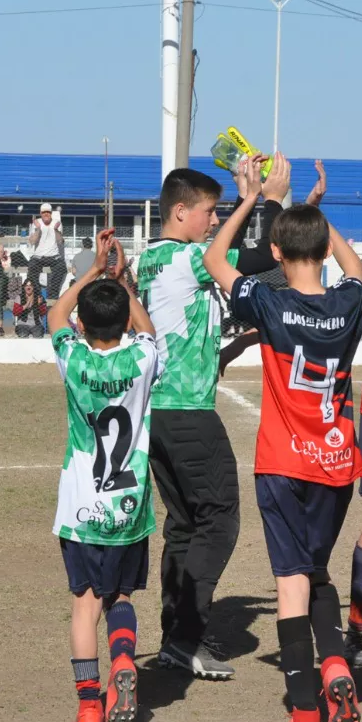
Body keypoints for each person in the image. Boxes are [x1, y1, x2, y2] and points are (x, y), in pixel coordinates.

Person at [205, 153, 362, 722]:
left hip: (282, 463)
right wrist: (317, 217)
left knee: (291, 583)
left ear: (275, 253)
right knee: (316, 570)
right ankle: (336, 666)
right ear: (324, 251)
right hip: (334, 463)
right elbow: (354, 269)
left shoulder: (269, 303)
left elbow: (213, 258)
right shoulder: (348, 303)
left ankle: (304, 716)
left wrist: (251, 199)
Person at [135, 160, 283, 680]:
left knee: (183, 527)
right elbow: (268, 260)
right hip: (188, 413)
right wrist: (266, 201)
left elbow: (181, 327)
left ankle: (175, 631)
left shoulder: (150, 258)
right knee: (219, 522)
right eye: (209, 211)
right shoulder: (190, 257)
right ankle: (185, 637)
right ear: (181, 212)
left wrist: (236, 343)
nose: (215, 221)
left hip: (158, 412)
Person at [50, 229, 160, 722]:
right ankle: (124, 661)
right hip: (130, 507)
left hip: (81, 508)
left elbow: (54, 317)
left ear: (83, 324)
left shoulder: (73, 359)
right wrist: (124, 284)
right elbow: (149, 332)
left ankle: (90, 708)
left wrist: (93, 270)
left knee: (83, 604)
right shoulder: (141, 359)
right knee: (120, 598)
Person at [27, 203, 66, 295]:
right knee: (32, 267)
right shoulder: (37, 223)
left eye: (48, 212)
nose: (46, 214)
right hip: (38, 256)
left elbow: (60, 242)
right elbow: (32, 241)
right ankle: (36, 293)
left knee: (61, 267)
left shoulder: (57, 223)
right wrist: (38, 229)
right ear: (40, 213)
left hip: (53, 256)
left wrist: (56, 230)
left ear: (51, 213)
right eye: (44, 212)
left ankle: (53, 293)